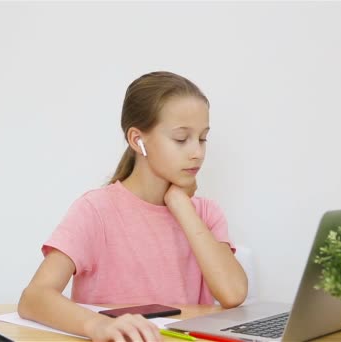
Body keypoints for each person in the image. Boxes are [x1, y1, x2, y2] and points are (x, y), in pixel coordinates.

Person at [18, 71, 248, 342]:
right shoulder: (96, 210)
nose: (197, 152)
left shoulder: (205, 213)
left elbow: (232, 294)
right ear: (137, 140)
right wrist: (98, 326)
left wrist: (179, 204)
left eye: (202, 138)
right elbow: (34, 297)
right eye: (181, 139)